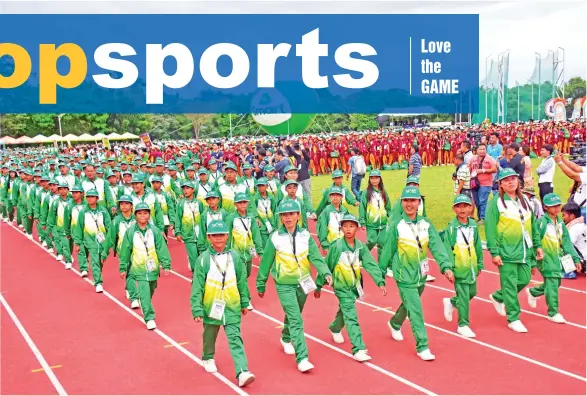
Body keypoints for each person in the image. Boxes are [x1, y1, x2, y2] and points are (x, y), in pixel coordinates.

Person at [256, 200, 333, 372]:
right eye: (284, 215)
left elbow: (315, 257)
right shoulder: (275, 237)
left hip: (303, 284)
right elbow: (266, 263)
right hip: (284, 285)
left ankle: (285, 337)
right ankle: (302, 358)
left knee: (294, 314)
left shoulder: (306, 236)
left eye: (291, 214)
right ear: (280, 218)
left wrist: (326, 273)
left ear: (298, 215)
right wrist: (260, 284)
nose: (288, 217)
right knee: (296, 319)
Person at [379, 186, 454, 361]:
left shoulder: (426, 224)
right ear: (401, 203)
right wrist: (380, 274)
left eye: (413, 200)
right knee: (415, 309)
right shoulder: (397, 226)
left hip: (421, 274)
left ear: (419, 203)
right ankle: (423, 345)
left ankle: (395, 323)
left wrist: (446, 266)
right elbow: (387, 251)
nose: (409, 204)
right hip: (403, 275)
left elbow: (437, 246)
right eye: (406, 200)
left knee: (409, 304)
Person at [190, 220, 255, 387]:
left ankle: (242, 371)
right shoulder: (203, 259)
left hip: (232, 306)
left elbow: (241, 281)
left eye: (222, 235)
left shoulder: (235, 256)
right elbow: (197, 286)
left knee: (235, 338)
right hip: (212, 306)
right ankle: (208, 356)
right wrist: (196, 308)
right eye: (214, 235)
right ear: (209, 237)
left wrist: (245, 301)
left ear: (227, 236)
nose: (218, 238)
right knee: (210, 334)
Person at [315, 214, 386, 362]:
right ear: (341, 228)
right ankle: (358, 348)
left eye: (351, 226)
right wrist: (318, 285)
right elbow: (326, 266)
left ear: (357, 228)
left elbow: (370, 264)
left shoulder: (360, 246)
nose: (348, 229)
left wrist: (380, 281)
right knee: (351, 314)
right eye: (345, 226)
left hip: (354, 286)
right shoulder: (336, 247)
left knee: (346, 310)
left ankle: (335, 327)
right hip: (340, 286)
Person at [486, 168, 544, 333]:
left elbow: (532, 225)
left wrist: (537, 245)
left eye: (513, 179)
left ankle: (498, 296)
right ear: (501, 184)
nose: (511, 182)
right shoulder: (495, 203)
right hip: (506, 251)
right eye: (506, 180)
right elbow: (490, 228)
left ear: (518, 181)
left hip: (525, 250)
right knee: (510, 285)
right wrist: (494, 252)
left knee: (524, 280)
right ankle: (514, 318)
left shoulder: (525, 199)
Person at [527, 193, 582, 323]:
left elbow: (567, 242)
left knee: (555, 283)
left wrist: (575, 258)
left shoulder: (561, 223)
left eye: (558, 205)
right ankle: (553, 312)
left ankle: (534, 292)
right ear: (545, 207)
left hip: (557, 258)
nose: (557, 208)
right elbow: (535, 239)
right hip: (545, 258)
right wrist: (533, 259)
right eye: (553, 206)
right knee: (552, 283)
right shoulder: (541, 223)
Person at [118, 202, 171, 330]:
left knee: (152, 288)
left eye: (145, 213)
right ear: (135, 215)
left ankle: (144, 300)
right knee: (144, 291)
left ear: (149, 215)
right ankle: (149, 317)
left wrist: (166, 263)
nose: (143, 216)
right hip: (139, 268)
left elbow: (161, 248)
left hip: (152, 268)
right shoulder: (130, 232)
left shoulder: (154, 231)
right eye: (140, 213)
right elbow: (125, 250)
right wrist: (123, 267)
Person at [441, 194, 483, 338]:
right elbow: (447, 248)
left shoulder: (473, 225)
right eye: (459, 206)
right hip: (459, 268)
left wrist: (480, 263)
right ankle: (463, 324)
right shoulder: (452, 228)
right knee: (464, 297)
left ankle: (452, 302)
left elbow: (477, 245)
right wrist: (449, 268)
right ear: (454, 209)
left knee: (473, 292)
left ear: (471, 208)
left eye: (465, 206)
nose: (462, 209)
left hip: (471, 267)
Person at [226, 192, 264, 309]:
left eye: (244, 202)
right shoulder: (231, 218)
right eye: (239, 202)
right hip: (236, 252)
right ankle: (246, 300)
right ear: (235, 204)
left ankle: (238, 291)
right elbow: (226, 235)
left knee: (246, 274)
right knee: (242, 276)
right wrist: (226, 251)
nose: (242, 204)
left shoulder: (251, 217)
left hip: (248, 251)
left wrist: (260, 251)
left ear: (247, 203)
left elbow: (256, 234)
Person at [73, 189, 112, 293]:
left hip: (103, 241)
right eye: (88, 197)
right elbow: (79, 227)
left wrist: (110, 240)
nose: (90, 199)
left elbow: (109, 226)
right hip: (90, 241)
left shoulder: (103, 211)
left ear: (97, 198)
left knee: (100, 262)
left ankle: (98, 275)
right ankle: (98, 282)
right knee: (95, 261)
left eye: (92, 197)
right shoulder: (83, 212)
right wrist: (77, 243)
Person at [102, 195, 138, 307]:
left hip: (138, 250)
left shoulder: (137, 219)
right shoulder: (116, 221)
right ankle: (134, 298)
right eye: (121, 204)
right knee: (130, 272)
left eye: (126, 203)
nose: (124, 206)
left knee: (136, 273)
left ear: (131, 206)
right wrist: (105, 252)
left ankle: (129, 287)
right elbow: (110, 237)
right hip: (123, 252)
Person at [359, 170, 391, 259]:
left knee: (383, 243)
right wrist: (362, 221)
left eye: (376, 178)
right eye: (372, 178)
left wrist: (391, 217)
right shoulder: (366, 192)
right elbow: (362, 207)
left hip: (383, 224)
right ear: (369, 179)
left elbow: (388, 206)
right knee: (372, 241)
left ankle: (381, 263)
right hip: (371, 224)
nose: (374, 180)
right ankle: (360, 255)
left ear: (380, 179)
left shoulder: (383, 192)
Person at [174, 180, 204, 272]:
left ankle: (201, 273)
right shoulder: (181, 203)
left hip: (200, 235)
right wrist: (178, 232)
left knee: (202, 256)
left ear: (193, 189)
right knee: (193, 257)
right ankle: (195, 274)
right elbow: (178, 218)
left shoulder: (199, 203)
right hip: (188, 234)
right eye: (184, 188)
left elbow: (203, 217)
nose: (185, 190)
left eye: (188, 188)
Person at [316, 187, 349, 253]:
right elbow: (322, 228)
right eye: (333, 195)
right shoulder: (326, 211)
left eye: (337, 195)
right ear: (330, 197)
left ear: (341, 197)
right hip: (331, 244)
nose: (335, 197)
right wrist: (325, 245)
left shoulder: (344, 211)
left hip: (343, 244)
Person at [562, 201, 586, 274]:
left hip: (582, 262)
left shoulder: (574, 228)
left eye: (564, 215)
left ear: (572, 216)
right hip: (584, 259)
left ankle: (569, 271)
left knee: (562, 246)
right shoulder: (583, 225)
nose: (563, 218)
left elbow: (566, 246)